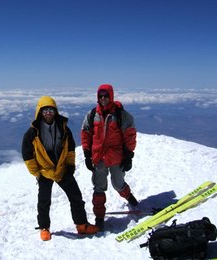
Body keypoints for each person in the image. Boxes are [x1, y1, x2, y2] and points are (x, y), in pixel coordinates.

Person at [22, 96, 99, 241]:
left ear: (55, 111)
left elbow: (70, 150)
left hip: (62, 169)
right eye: (45, 111)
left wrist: (70, 166)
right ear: (39, 112)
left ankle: (82, 225)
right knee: (44, 201)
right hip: (45, 171)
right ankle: (44, 227)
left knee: (76, 197)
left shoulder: (64, 129)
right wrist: (36, 173)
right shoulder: (32, 133)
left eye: (51, 110)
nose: (48, 113)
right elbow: (27, 155)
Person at [81, 84, 138, 230]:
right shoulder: (93, 114)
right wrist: (87, 154)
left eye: (106, 96)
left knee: (118, 183)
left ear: (111, 96)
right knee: (99, 187)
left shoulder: (120, 114)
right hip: (99, 156)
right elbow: (86, 133)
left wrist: (129, 156)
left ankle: (128, 195)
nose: (103, 99)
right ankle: (99, 217)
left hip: (116, 157)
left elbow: (130, 135)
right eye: (100, 96)